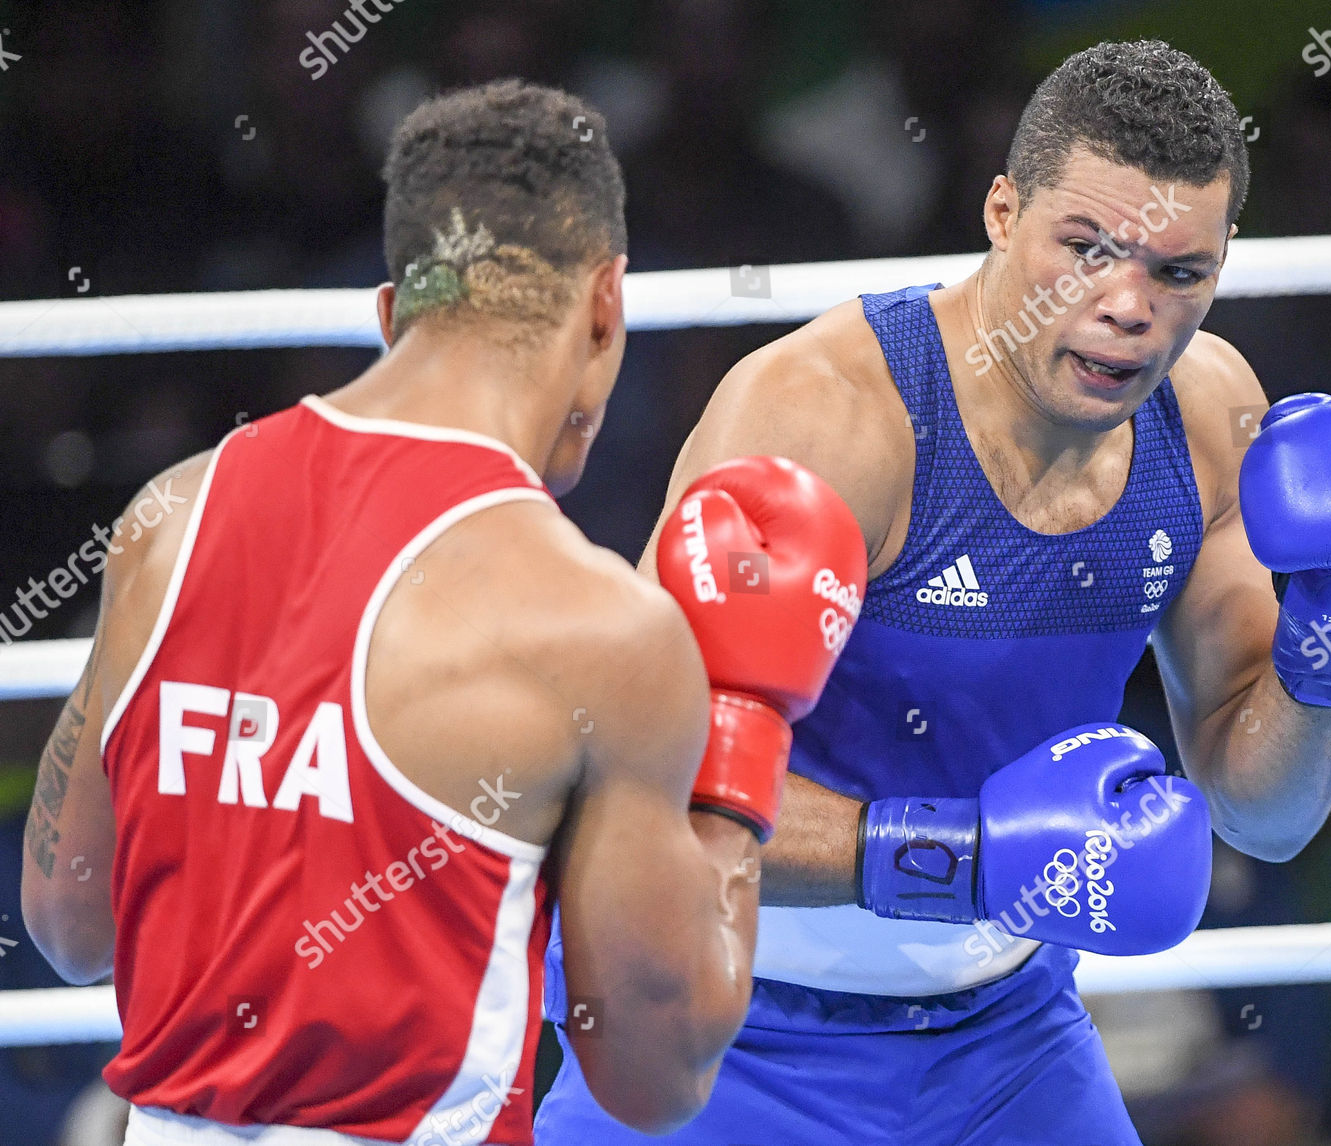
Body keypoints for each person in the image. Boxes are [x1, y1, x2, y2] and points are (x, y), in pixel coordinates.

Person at [534, 40, 1331, 1145]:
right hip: (725, 1028)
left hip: (1007, 1040)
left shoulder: (1206, 420)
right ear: (1002, 212)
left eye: (1178, 272)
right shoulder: (825, 419)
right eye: (1087, 247)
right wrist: (961, 859)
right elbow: (649, 798)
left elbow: (1270, 810)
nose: (1128, 305)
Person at [20, 79, 865, 1145]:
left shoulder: (167, 520)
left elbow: (68, 925)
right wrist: (745, 736)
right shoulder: (598, 626)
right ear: (607, 306)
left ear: (390, 312)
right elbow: (657, 1075)